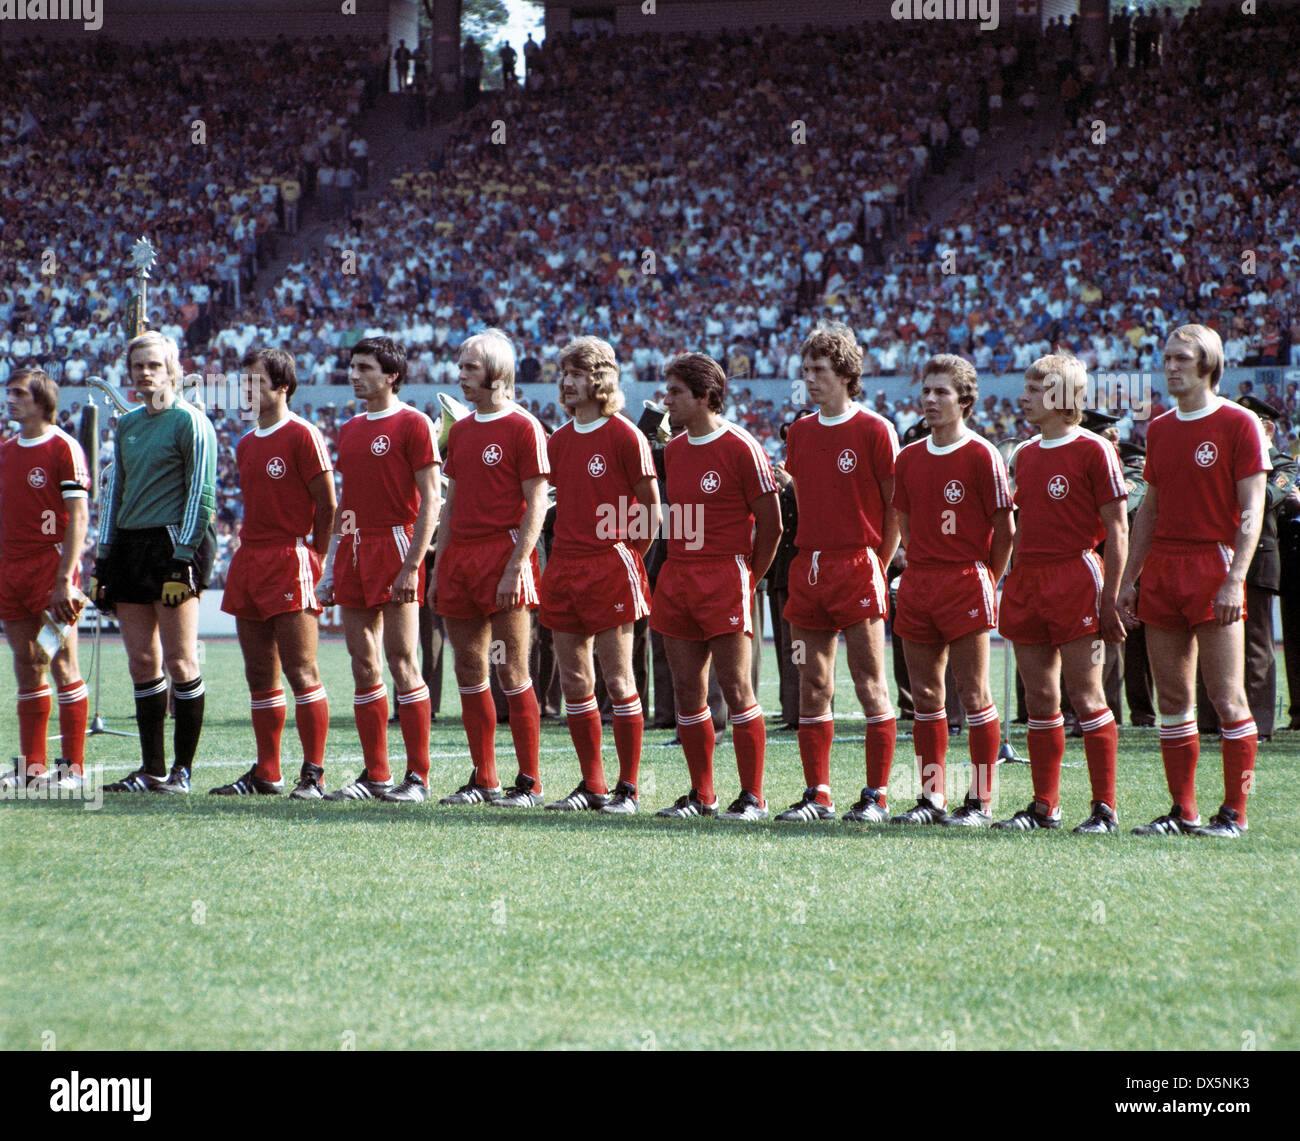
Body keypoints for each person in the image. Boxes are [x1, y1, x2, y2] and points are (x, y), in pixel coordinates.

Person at [1118, 325, 1270, 838]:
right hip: (1163, 570)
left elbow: (1252, 509)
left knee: (1227, 699)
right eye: (1166, 357)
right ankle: (1183, 812)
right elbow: (1150, 512)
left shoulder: (1239, 422)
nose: (1170, 366)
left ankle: (1235, 814)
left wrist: (1235, 579)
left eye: (1181, 357)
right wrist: (1128, 580)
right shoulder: (1159, 429)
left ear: (1208, 363)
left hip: (1213, 566)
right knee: (1173, 702)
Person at [995, 356, 1128, 833]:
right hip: (1028, 578)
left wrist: (1111, 597)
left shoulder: (1095, 449)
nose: (1024, 396)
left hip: (1075, 575)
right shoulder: (1025, 453)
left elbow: (1117, 528)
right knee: (1039, 699)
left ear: (1060, 395)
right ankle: (1044, 806)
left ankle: (1104, 809)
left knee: (1087, 696)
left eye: (1034, 388)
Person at [776, 323, 901, 824]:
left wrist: (878, 561)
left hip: (858, 562)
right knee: (812, 683)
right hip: (809, 565)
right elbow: (804, 500)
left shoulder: (875, 429)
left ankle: (876, 796)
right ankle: (818, 794)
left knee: (871, 685)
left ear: (847, 374)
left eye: (820, 370)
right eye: (805, 370)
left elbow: (895, 508)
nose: (810, 379)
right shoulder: (801, 431)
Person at [650, 352, 782, 821]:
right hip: (680, 577)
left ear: (705, 397)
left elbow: (772, 524)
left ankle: (753, 797)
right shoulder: (676, 449)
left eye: (675, 393)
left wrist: (749, 575)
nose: (667, 402)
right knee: (689, 690)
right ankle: (701, 796)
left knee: (737, 688)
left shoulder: (741, 446)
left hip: (725, 576)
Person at [891, 354, 1014, 826]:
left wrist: (987, 575)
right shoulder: (909, 457)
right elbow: (903, 520)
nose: (930, 399)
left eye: (941, 391)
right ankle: (931, 798)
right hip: (920, 581)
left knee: (974, 692)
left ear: (964, 399)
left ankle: (980, 802)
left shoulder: (982, 453)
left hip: (966, 578)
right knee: (925, 695)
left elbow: (1005, 529)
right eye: (926, 390)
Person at [92, 331, 217, 794]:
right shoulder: (127, 425)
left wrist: (182, 559)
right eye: (138, 365)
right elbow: (115, 495)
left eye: (154, 365)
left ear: (172, 369)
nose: (145, 372)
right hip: (128, 548)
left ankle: (182, 772)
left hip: (172, 549)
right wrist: (103, 560)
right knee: (143, 662)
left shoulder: (191, 422)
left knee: (182, 660)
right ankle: (152, 769)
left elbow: (202, 496)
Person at [538, 337, 658, 814]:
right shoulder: (559, 440)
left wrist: (624, 556)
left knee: (618, 680)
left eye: (578, 372)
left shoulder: (626, 434)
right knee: (574, 682)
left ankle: (627, 790)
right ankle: (593, 785)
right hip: (565, 566)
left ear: (601, 378)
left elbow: (651, 515)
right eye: (564, 372)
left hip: (611, 564)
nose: (568, 382)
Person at [317, 337, 441, 801]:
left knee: (403, 661)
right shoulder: (349, 429)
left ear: (391, 375)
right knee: (363, 663)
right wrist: (330, 567)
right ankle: (377, 775)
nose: (354, 374)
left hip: (394, 543)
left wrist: (413, 562)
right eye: (351, 366)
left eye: (364, 367)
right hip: (352, 547)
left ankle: (418, 778)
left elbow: (431, 500)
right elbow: (344, 503)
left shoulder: (414, 424)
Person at [431, 329, 550, 808]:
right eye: (460, 367)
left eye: (470, 368)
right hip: (460, 558)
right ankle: (485, 778)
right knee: (469, 669)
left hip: (504, 557)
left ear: (497, 372)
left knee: (512, 669)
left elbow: (536, 505)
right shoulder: (458, 431)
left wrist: (514, 566)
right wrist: (439, 569)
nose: (460, 376)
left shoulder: (524, 427)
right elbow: (451, 504)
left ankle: (530, 782)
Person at [212, 348, 336, 798]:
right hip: (250, 559)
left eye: (255, 382)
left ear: (282, 386)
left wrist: (316, 557)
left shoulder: (303, 435)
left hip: (290, 557)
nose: (246, 391)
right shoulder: (245, 442)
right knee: (258, 673)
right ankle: (267, 772)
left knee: (302, 671)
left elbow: (328, 505)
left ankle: (314, 774)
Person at [0, 367, 90, 791]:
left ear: (41, 401)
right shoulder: (5, 450)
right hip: (10, 569)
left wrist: (65, 580)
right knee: (27, 663)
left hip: (50, 569)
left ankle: (73, 770)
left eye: (19, 393)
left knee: (61, 661)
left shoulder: (63, 447)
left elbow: (78, 518)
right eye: (9, 391)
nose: (10, 398)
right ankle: (32, 767)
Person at [1194, 396, 1297, 742]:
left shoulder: (1283, 464)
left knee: (1255, 643)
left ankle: (1258, 723)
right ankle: (1210, 719)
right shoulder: (1226, 459)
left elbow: (1264, 498)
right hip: (1216, 553)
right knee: (1208, 633)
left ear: (1266, 428)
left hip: (1258, 559)